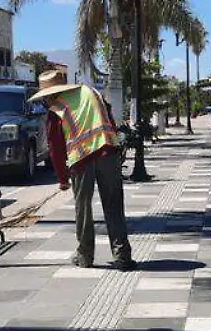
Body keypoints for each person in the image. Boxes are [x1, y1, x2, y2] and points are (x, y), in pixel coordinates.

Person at [30, 70, 136, 271]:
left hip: (81, 160)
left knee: (83, 209)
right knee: (114, 205)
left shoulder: (56, 109)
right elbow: (110, 119)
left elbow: (56, 146)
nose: (45, 101)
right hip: (108, 152)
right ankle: (122, 256)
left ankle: (85, 256)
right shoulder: (92, 92)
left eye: (45, 97)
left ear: (51, 93)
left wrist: (62, 178)